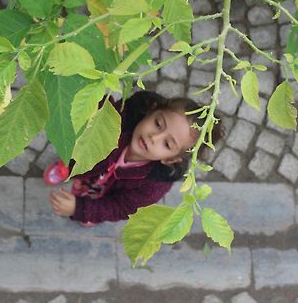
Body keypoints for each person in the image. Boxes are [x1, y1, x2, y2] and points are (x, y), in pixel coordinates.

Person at [45, 90, 221, 226]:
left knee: (90, 200)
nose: (154, 137)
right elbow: (92, 109)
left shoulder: (153, 186)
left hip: (103, 192)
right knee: (74, 162)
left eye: (167, 144)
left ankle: (86, 205)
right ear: (151, 112)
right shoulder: (119, 120)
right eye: (158, 124)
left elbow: (119, 208)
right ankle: (66, 168)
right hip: (85, 159)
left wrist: (80, 209)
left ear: (170, 160)